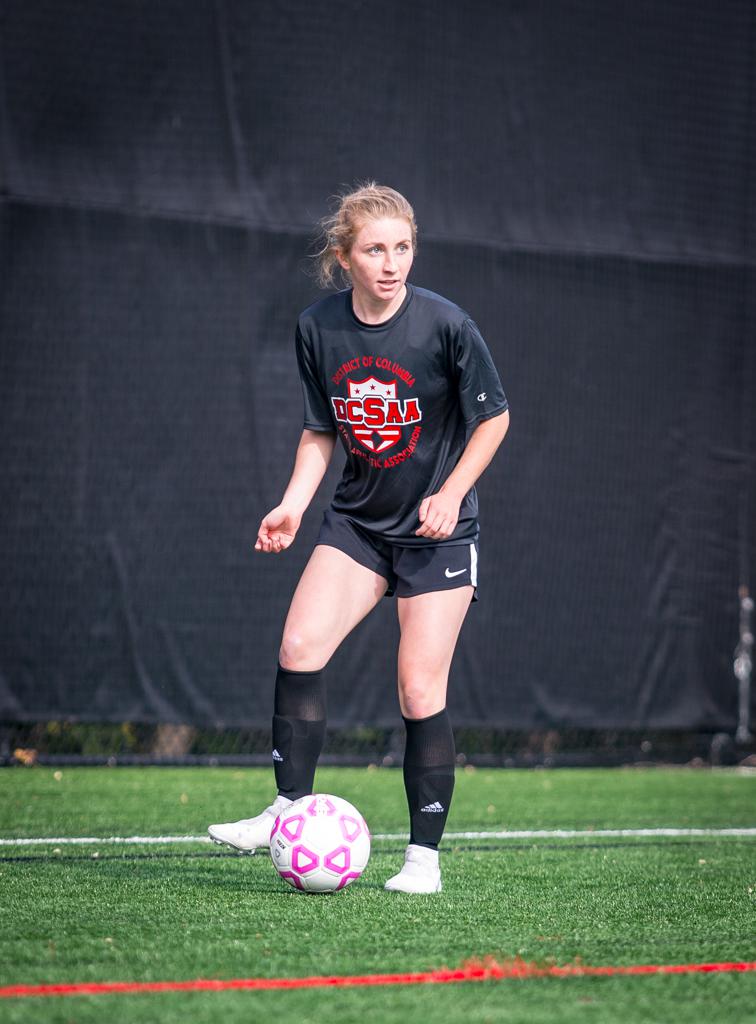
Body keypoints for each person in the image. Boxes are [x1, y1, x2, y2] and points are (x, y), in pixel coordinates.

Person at [209, 183, 509, 893]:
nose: (392, 262)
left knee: (416, 688)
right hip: (359, 523)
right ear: (344, 257)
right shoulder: (318, 326)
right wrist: (290, 505)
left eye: (402, 247)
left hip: (438, 534)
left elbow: (493, 420)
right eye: (375, 249)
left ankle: (423, 862)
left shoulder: (447, 325)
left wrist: (451, 492)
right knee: (298, 646)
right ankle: (285, 812)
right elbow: (321, 430)